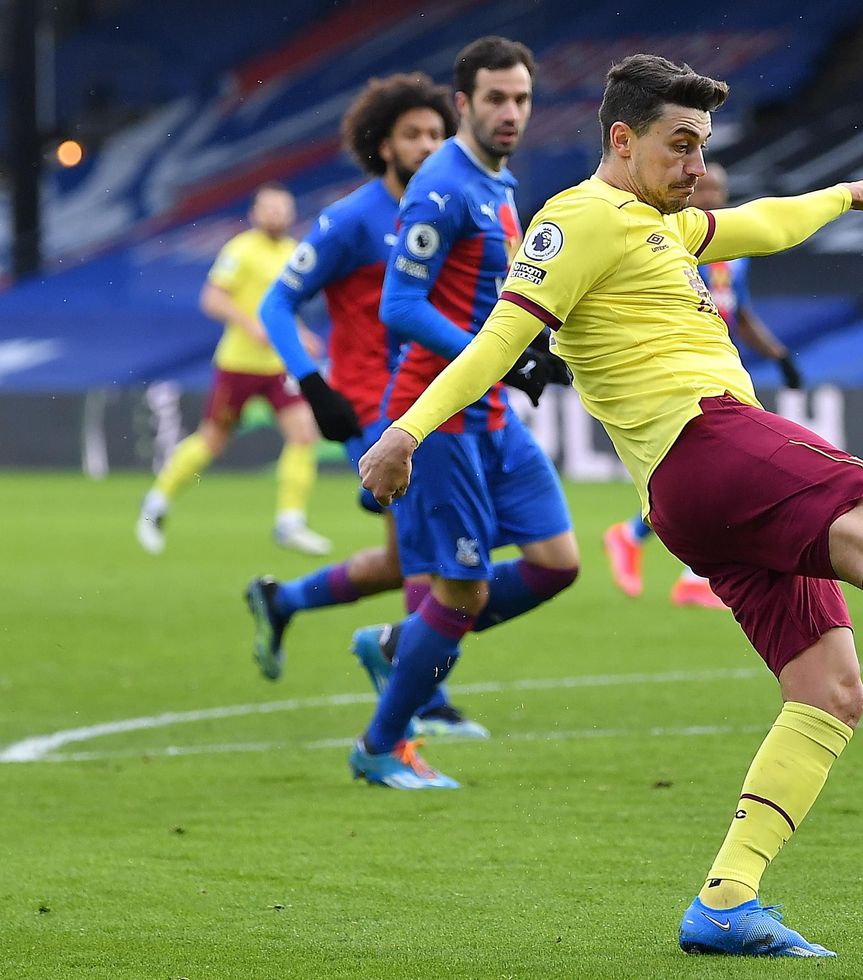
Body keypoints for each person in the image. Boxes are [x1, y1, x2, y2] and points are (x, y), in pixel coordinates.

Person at [361, 53, 863, 954]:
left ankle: (726, 900)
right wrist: (406, 432)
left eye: (702, 145)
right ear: (621, 139)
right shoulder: (578, 219)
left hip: (691, 494)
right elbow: (498, 339)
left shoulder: (660, 225)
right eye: (680, 144)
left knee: (828, 689)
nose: (696, 164)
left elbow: (760, 224)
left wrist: (847, 195)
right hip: (704, 439)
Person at [346, 36, 579, 788]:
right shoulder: (441, 187)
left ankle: (402, 643)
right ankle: (380, 747)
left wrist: (531, 348)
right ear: (463, 105)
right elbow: (400, 304)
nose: (511, 112)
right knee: (464, 590)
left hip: (494, 416)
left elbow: (491, 302)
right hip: (438, 419)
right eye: (495, 99)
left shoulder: (498, 183)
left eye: (521, 99)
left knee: (556, 564)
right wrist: (501, 358)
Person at [238, 74, 491, 739]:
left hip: (431, 397)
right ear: (383, 146)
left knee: (405, 558)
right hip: (372, 408)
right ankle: (425, 701)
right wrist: (312, 386)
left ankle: (281, 600)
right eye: (412, 134)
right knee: (431, 551)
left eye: (436, 133)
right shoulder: (352, 219)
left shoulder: (448, 210)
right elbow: (275, 303)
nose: (427, 144)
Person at [602, 162, 804, 610]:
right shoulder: (670, 239)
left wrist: (780, 357)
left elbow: (740, 315)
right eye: (704, 187)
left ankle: (646, 546)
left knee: (716, 475)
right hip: (683, 374)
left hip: (722, 369)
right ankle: (685, 571)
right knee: (719, 471)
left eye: (718, 189)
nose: (710, 195)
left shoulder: (734, 252)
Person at [136, 183, 331, 556]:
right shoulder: (240, 250)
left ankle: (290, 522)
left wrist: (301, 334)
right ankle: (156, 502)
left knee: (304, 434)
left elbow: (282, 306)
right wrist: (250, 324)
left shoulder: (293, 252)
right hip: (239, 364)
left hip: (277, 365)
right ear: (254, 213)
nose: (277, 214)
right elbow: (212, 298)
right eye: (269, 208)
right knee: (213, 440)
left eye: (283, 208)